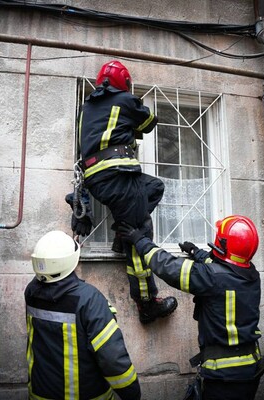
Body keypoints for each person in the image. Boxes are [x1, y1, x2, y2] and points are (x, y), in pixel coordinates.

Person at [71, 59, 177, 324]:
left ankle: (122, 234)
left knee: (154, 187)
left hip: (97, 180)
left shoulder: (87, 107)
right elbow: (149, 122)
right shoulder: (126, 101)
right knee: (140, 235)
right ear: (125, 83)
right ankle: (147, 303)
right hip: (119, 177)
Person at [118, 215, 264, 400]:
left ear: (223, 245)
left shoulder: (213, 278)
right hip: (248, 371)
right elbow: (222, 268)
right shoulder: (250, 274)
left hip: (225, 378)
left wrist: (139, 241)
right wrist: (197, 253)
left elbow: (169, 268)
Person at [24, 230, 141, 400]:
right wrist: (132, 393)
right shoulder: (89, 300)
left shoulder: (31, 292)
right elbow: (112, 360)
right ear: (71, 261)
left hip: (39, 395)